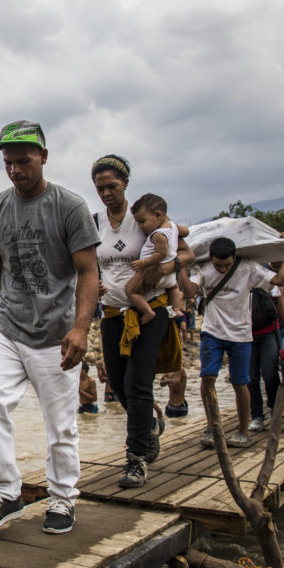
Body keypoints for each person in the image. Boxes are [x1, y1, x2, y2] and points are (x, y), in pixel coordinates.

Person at [0, 120, 99, 535]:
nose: (15, 170)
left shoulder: (69, 206)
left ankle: (62, 499)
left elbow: (88, 272)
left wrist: (81, 328)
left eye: (23, 161)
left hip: (57, 332)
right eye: (8, 163)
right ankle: (6, 491)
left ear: (43, 156)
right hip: (8, 324)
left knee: (60, 423)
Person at [91, 155, 194, 488]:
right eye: (100, 187)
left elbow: (187, 253)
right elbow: (86, 263)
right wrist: (95, 281)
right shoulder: (94, 223)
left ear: (125, 184)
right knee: (119, 384)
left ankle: (135, 459)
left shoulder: (147, 219)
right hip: (111, 313)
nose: (106, 193)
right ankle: (149, 423)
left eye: (112, 186)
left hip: (149, 312)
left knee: (138, 384)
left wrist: (162, 269)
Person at [177, 235, 284, 449]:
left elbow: (279, 281)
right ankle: (212, 425)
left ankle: (242, 430)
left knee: (240, 382)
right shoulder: (203, 269)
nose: (222, 269)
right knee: (208, 376)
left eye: (227, 265)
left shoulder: (249, 268)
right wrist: (178, 266)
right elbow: (189, 292)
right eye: (218, 265)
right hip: (212, 332)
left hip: (240, 334)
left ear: (235, 257)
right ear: (210, 258)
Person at [125, 193, 188, 323]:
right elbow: (186, 231)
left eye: (143, 222)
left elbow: (160, 254)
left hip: (152, 271)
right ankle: (176, 309)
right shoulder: (173, 227)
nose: (141, 227)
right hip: (170, 275)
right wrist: (178, 229)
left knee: (131, 291)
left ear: (158, 215)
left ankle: (147, 311)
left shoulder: (157, 235)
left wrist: (144, 263)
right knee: (174, 287)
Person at [247, 284, 284, 432]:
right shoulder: (238, 279)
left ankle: (275, 409)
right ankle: (257, 416)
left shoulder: (270, 280)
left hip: (269, 333)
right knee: (251, 377)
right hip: (245, 336)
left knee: (270, 373)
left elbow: (281, 305)